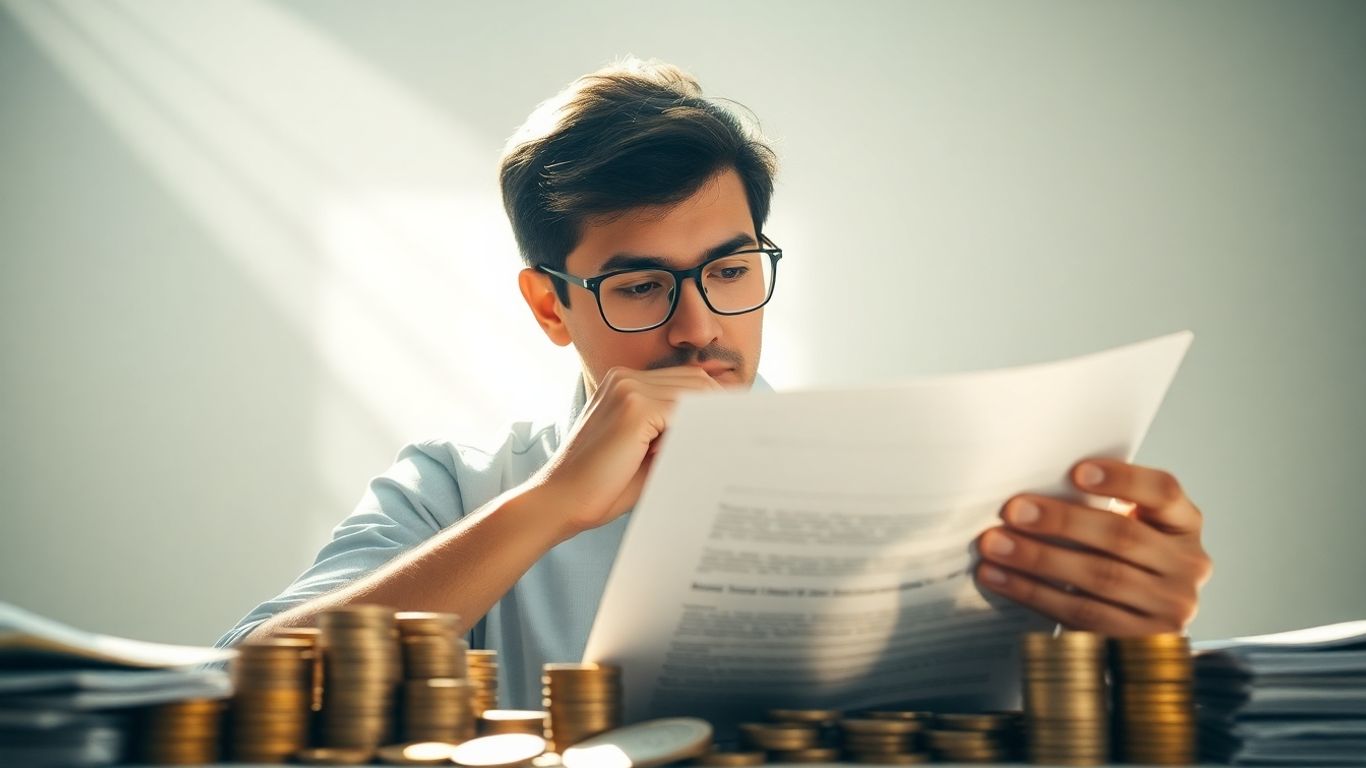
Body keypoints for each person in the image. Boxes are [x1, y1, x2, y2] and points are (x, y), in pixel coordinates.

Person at [217, 57, 1213, 710]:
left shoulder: (941, 479)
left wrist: (1133, 632)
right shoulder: (458, 487)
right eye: (643, 284)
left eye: (731, 271)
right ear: (548, 306)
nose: (699, 330)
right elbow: (247, 682)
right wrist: (554, 506)